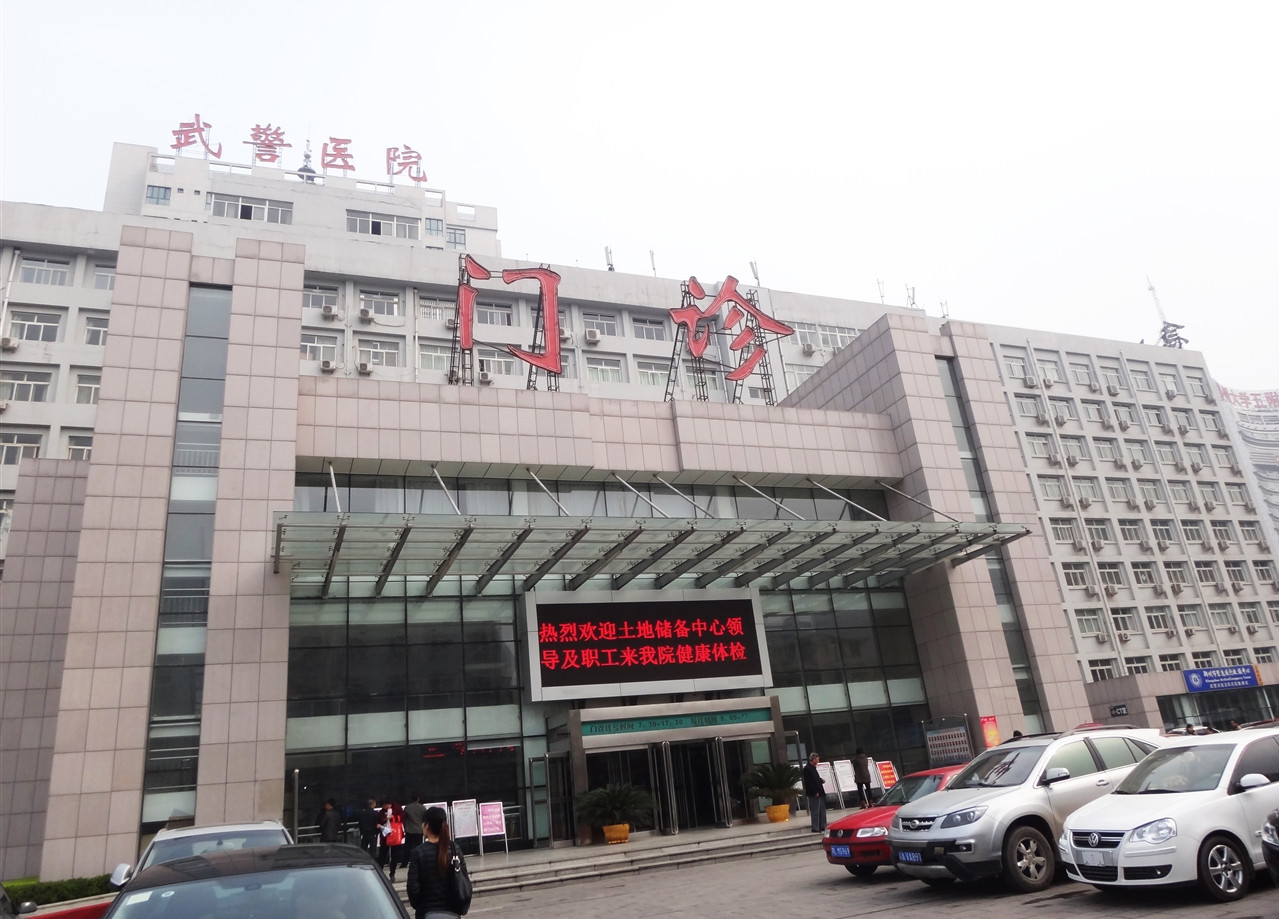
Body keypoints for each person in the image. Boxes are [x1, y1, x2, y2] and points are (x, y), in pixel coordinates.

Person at [407, 805, 469, 919]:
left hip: (426, 913)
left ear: (427, 826)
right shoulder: (455, 849)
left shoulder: (418, 852)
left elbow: (412, 888)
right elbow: (464, 879)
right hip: (452, 914)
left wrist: (420, 905)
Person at [379, 800, 407, 882]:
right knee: (383, 855)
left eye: (385, 806)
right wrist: (384, 819)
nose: (384, 807)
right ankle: (380, 872)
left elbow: (402, 817)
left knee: (395, 855)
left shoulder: (397, 808)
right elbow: (379, 820)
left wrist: (393, 817)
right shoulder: (382, 811)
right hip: (385, 836)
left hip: (395, 834)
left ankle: (392, 873)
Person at [801, 752, 826, 833]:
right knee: (815, 810)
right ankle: (815, 827)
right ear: (813, 759)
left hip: (820, 791)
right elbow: (809, 782)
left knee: (822, 810)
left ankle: (822, 825)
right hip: (814, 792)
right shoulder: (807, 769)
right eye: (817, 759)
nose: (818, 760)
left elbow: (815, 778)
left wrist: (820, 780)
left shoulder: (813, 768)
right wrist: (815, 791)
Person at [403, 794, 427, 859]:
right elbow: (425, 818)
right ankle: (417, 859)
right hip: (419, 830)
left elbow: (404, 819)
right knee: (418, 846)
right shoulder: (422, 807)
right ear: (418, 798)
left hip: (409, 830)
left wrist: (405, 828)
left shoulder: (407, 807)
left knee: (407, 846)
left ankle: (405, 861)